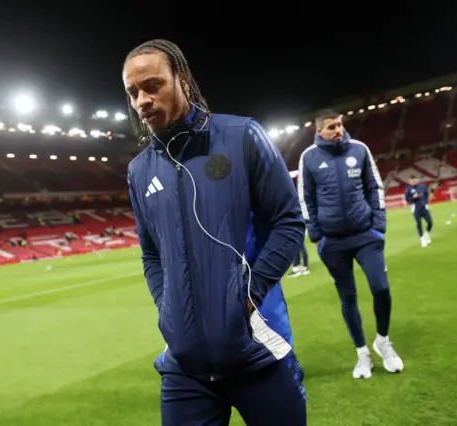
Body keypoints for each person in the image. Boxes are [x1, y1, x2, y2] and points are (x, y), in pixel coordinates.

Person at [124, 39, 307, 425]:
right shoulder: (139, 170)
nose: (142, 100)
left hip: (256, 348)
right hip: (184, 365)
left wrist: (250, 294)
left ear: (183, 82)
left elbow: (288, 221)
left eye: (152, 85)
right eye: (133, 92)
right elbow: (151, 253)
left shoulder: (243, 137)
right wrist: (167, 305)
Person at [298, 109, 404, 379]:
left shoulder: (359, 149)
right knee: (348, 298)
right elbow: (305, 199)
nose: (339, 130)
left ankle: (383, 341)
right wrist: (317, 237)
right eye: (332, 126)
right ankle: (362, 353)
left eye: (340, 125)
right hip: (332, 242)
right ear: (319, 131)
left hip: (365, 235)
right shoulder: (308, 157)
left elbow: (375, 187)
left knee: (381, 288)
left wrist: (378, 227)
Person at [405, 175, 433, 247]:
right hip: (415, 208)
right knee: (419, 223)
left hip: (424, 207)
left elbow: (426, 194)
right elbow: (407, 199)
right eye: (411, 181)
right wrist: (413, 197)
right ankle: (422, 239)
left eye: (414, 180)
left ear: (417, 180)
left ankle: (426, 233)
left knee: (430, 222)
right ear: (409, 181)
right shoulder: (408, 189)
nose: (413, 182)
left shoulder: (422, 186)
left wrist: (426, 202)